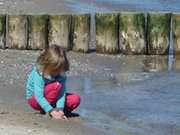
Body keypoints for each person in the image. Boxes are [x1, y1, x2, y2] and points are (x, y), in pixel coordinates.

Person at [26, 44, 81, 120]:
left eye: (59, 70)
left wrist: (60, 109)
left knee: (75, 99)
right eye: (55, 70)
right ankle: (49, 110)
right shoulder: (39, 72)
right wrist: (50, 111)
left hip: (53, 98)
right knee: (56, 86)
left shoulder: (61, 74)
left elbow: (61, 94)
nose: (57, 72)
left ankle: (58, 112)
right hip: (36, 99)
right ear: (47, 65)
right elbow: (39, 96)